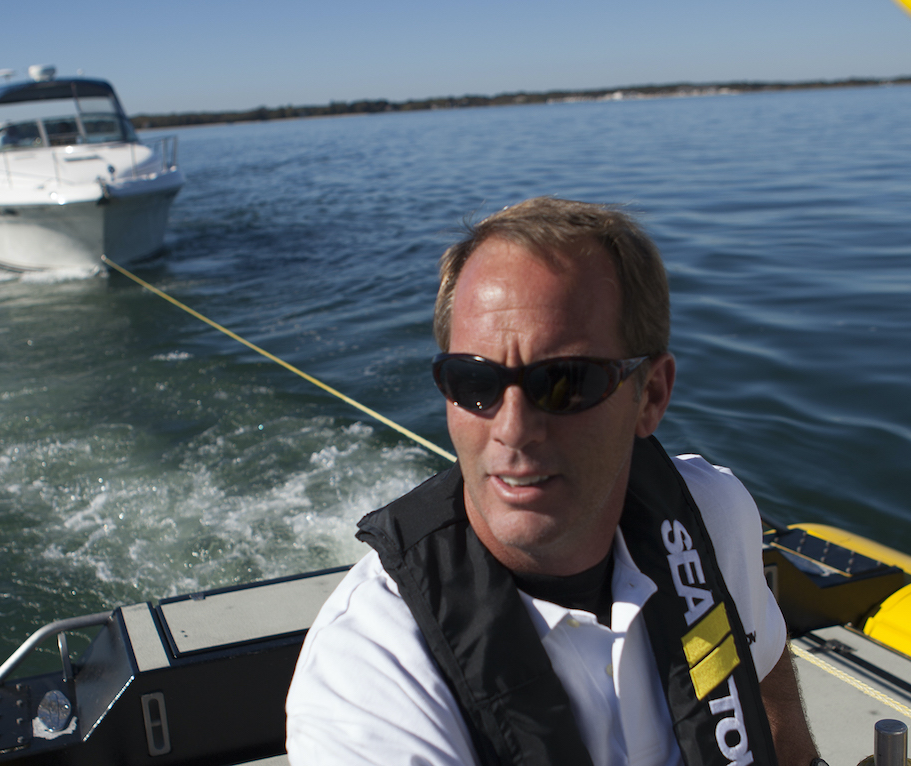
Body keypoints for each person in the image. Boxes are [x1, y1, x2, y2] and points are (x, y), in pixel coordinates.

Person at [286, 197, 820, 765]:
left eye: (564, 382)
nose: (513, 431)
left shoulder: (710, 517)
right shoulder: (371, 675)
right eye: (474, 380)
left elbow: (775, 718)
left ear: (652, 396)